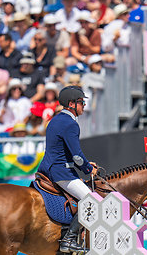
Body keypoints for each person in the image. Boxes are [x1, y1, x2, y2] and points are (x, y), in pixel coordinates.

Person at [37, 86, 98, 253]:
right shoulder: (70, 124)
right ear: (71, 104)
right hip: (60, 172)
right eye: (81, 102)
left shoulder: (55, 120)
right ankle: (68, 240)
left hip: (48, 168)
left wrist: (85, 163)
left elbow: (64, 152)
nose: (84, 105)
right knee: (91, 200)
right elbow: (77, 155)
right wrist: (87, 169)